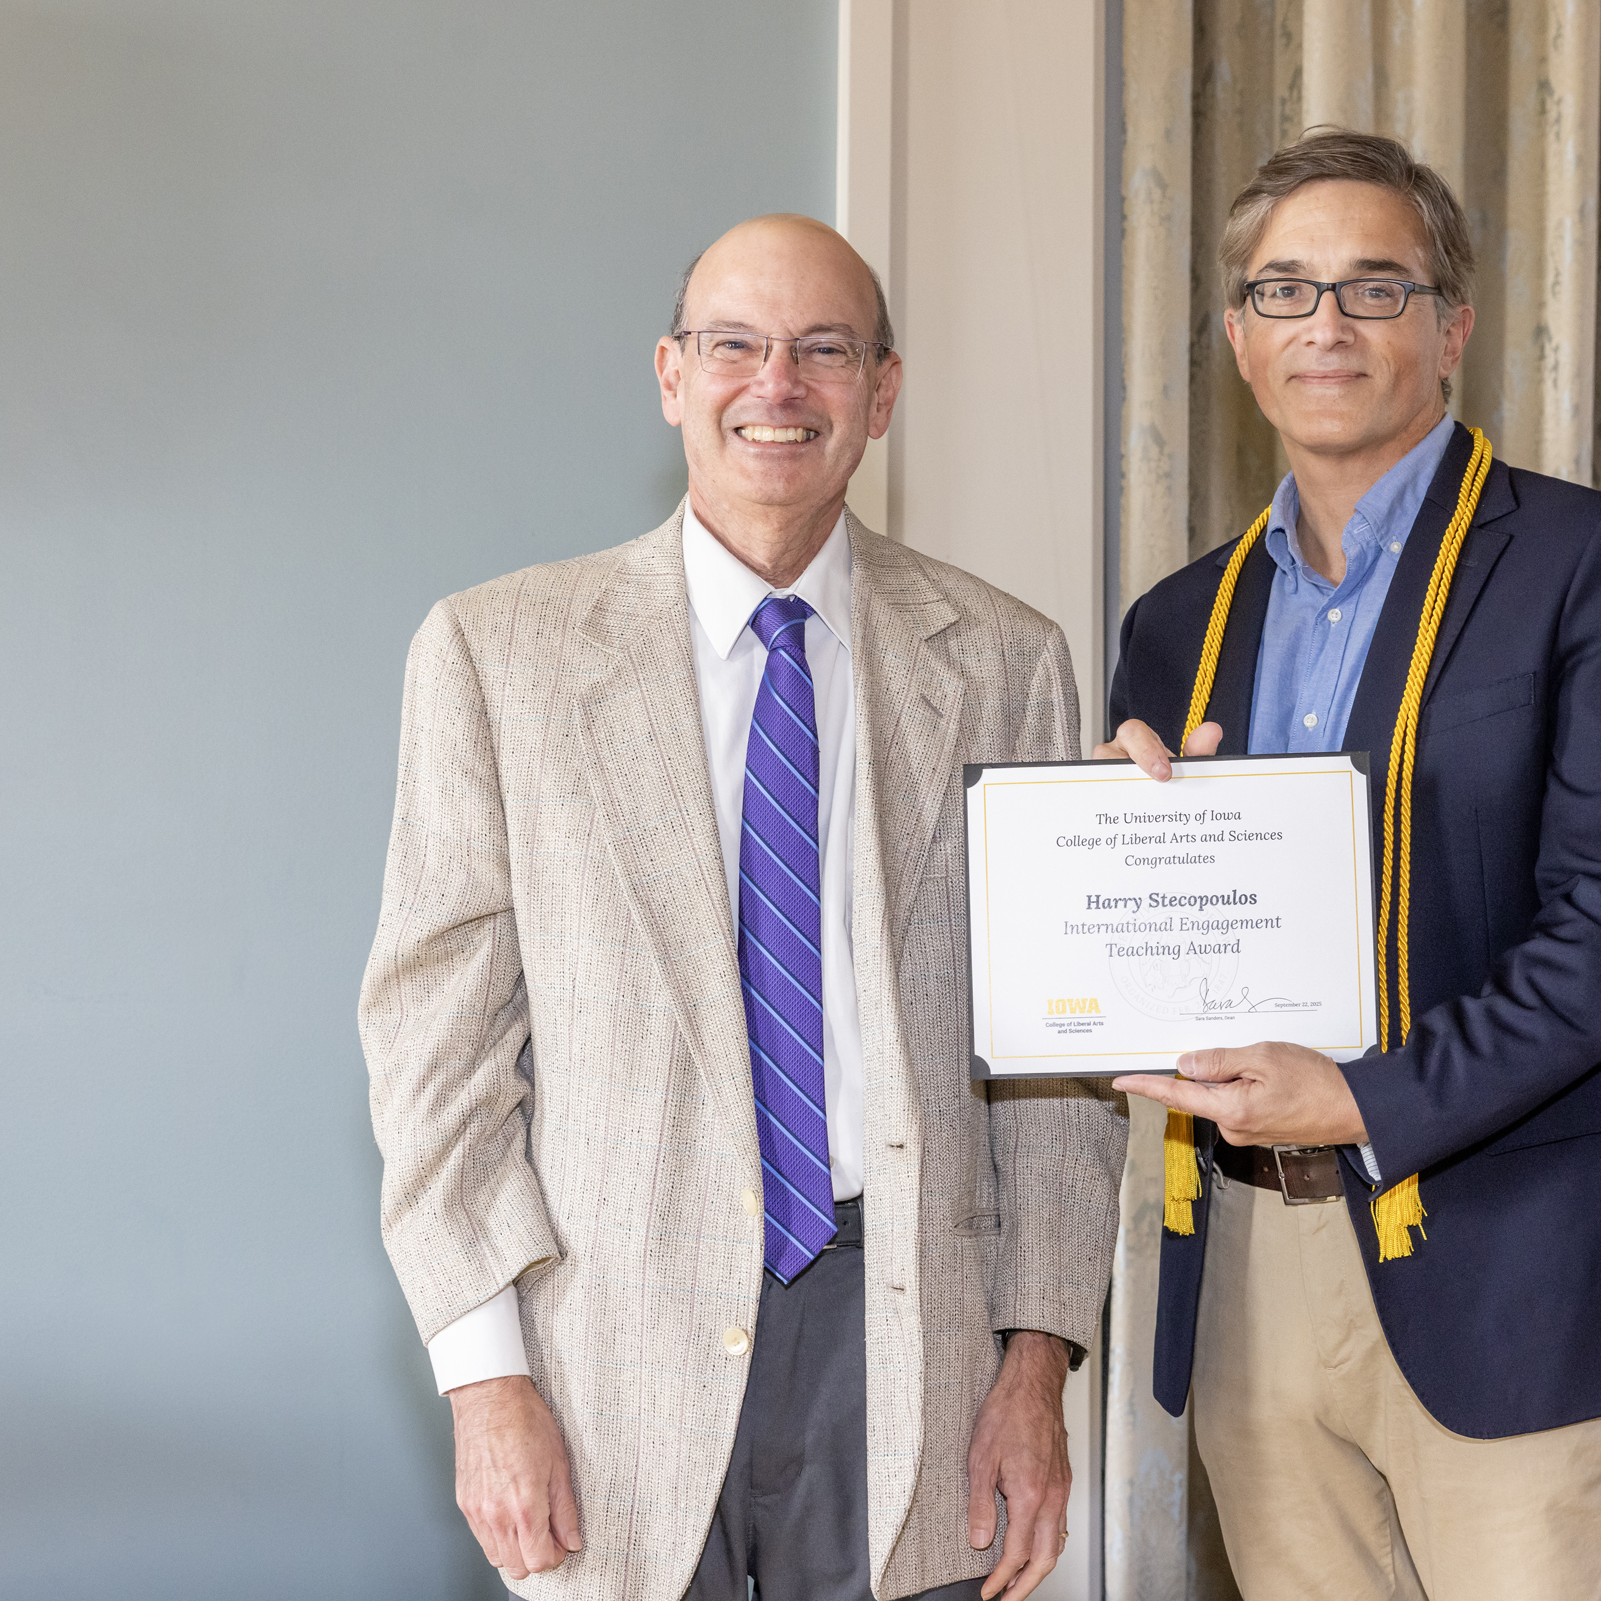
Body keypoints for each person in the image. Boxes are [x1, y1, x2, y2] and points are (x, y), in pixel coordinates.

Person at [361, 214, 1126, 1601]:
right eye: (734, 344)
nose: (777, 383)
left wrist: (1037, 1363)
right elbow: (436, 1052)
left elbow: (1053, 1063)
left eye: (824, 349)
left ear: (881, 393)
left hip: (916, 1350)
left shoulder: (1007, 660)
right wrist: (485, 1380)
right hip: (606, 1356)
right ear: (671, 375)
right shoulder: (498, 653)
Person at [1101, 130, 1601, 1599]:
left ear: (1451, 329)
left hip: (1515, 1258)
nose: (1325, 323)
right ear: (1240, 341)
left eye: (1375, 287)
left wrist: (1362, 1097)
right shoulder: (1176, 623)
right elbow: (1157, 942)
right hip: (1250, 1258)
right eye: (1284, 290)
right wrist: (1117, 859)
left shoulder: (1588, 558)